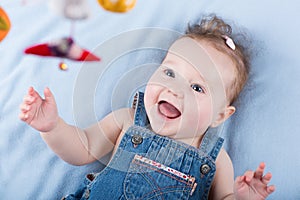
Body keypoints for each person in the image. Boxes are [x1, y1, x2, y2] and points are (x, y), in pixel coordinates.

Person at [19, 14, 275, 199]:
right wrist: (52, 127)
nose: (175, 90)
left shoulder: (216, 158)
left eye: (198, 88)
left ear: (220, 115)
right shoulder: (128, 120)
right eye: (170, 73)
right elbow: (82, 146)